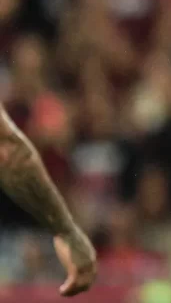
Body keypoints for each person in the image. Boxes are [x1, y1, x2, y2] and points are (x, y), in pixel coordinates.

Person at [0, 104, 97, 297]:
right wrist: (66, 231)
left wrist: (66, 230)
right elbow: (10, 153)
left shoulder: (61, 160)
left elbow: (9, 153)